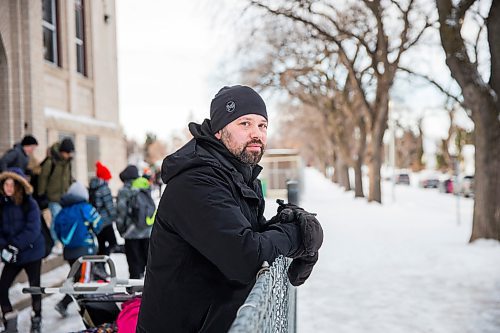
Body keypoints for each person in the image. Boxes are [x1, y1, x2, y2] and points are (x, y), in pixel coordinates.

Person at [137, 85, 324, 332]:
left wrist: (290, 225)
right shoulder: (197, 182)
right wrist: (296, 238)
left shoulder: (238, 177)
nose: (256, 133)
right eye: (244, 124)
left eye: (262, 125)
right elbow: (245, 256)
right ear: (218, 131)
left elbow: (245, 236)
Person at [0, 168, 45, 333]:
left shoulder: (29, 203)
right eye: (6, 184)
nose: (8, 187)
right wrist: (4, 247)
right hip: (13, 255)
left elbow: (33, 230)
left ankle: (37, 319)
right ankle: (10, 323)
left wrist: (14, 245)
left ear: (19, 185)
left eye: (12, 184)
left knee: (35, 287)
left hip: (32, 252)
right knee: (2, 288)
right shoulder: (2, 205)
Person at [52, 181, 103, 318]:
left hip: (69, 251)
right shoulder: (85, 207)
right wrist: (92, 230)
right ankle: (82, 308)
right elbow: (98, 223)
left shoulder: (62, 211)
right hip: (86, 250)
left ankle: (68, 303)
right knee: (83, 280)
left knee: (77, 278)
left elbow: (56, 229)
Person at [116, 166, 153, 279]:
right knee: (149, 263)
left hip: (131, 233)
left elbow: (121, 212)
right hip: (147, 231)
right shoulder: (144, 187)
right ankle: (150, 290)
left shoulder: (124, 191)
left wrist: (121, 229)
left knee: (134, 265)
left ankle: (135, 292)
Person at [37, 137, 75, 241]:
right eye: (68, 153)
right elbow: (43, 179)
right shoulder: (51, 162)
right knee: (56, 220)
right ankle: (55, 241)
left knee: (64, 220)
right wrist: (41, 194)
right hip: (53, 197)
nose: (70, 155)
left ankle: (61, 241)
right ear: (63, 151)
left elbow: (69, 178)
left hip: (65, 197)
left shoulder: (68, 163)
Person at [89, 161, 117, 259]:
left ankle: (100, 267)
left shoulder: (93, 186)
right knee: (113, 243)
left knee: (101, 245)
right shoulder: (104, 188)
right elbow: (109, 206)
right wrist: (115, 217)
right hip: (106, 222)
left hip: (96, 221)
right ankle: (100, 264)